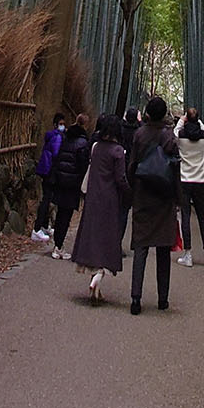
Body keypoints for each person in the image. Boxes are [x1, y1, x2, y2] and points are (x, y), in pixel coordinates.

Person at [126, 95, 179, 315]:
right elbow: (176, 168)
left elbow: (132, 165)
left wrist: (133, 188)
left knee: (141, 247)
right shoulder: (169, 136)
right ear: (164, 113)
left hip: (143, 196)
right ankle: (162, 299)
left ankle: (136, 299)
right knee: (163, 250)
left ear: (147, 113)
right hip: (164, 199)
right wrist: (177, 198)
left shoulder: (139, 134)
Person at [70, 115, 128, 304]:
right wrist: (130, 192)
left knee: (92, 237)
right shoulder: (118, 151)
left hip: (93, 198)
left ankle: (96, 286)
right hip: (110, 201)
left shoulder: (95, 148)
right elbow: (120, 179)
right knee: (108, 239)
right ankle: (97, 278)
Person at [175, 106, 204, 268]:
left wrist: (182, 121)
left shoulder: (181, 137)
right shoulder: (203, 138)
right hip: (200, 181)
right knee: (203, 218)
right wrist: (199, 122)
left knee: (185, 217)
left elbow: (175, 132)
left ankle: (188, 255)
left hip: (185, 181)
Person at [47, 115, 90, 259]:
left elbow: (59, 156)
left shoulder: (66, 136)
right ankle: (58, 246)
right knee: (66, 216)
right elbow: (82, 165)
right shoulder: (83, 143)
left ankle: (57, 244)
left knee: (61, 214)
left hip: (61, 180)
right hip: (72, 183)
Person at [31, 112, 65, 241]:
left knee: (48, 197)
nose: (62, 126)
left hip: (46, 169)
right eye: (61, 124)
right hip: (52, 171)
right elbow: (56, 153)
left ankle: (44, 225)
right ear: (56, 125)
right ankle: (37, 228)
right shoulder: (57, 137)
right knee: (47, 200)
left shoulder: (50, 136)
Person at [118, 107, 140, 248]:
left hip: (118, 171)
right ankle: (117, 243)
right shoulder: (140, 132)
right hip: (131, 175)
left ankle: (109, 243)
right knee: (124, 211)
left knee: (114, 208)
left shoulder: (119, 129)